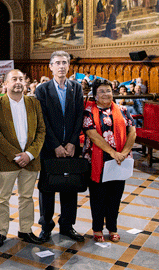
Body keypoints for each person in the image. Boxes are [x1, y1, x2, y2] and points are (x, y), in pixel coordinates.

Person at [0, 69, 46, 248]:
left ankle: (26, 230)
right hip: (7, 159)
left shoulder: (33, 102)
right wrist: (15, 155)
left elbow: (41, 131)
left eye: (21, 79)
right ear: (6, 83)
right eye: (14, 79)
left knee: (27, 197)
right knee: (3, 197)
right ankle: (1, 231)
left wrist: (29, 154)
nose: (18, 82)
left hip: (30, 159)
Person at [35, 51, 85, 242]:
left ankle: (67, 226)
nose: (61, 66)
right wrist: (55, 144)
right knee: (47, 188)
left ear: (69, 65)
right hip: (49, 147)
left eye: (65, 62)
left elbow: (79, 115)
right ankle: (46, 226)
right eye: (57, 63)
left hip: (72, 146)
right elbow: (43, 120)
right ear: (51, 66)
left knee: (70, 186)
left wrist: (72, 142)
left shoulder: (76, 88)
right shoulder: (42, 89)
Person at [82, 79, 136, 243]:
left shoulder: (123, 110)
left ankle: (112, 228)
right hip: (98, 160)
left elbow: (132, 131)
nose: (106, 94)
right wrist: (113, 152)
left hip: (120, 160)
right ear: (95, 95)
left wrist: (124, 152)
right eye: (102, 91)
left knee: (115, 197)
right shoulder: (89, 111)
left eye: (108, 90)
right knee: (98, 197)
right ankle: (97, 228)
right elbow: (92, 135)